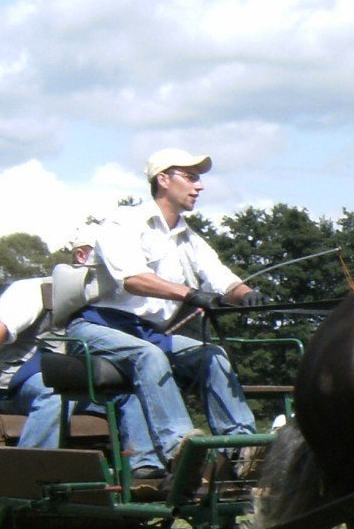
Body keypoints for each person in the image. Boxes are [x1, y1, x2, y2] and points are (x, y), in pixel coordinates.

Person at [69, 149, 263, 485]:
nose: (199, 186)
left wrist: (246, 294)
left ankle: (242, 450)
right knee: (150, 356)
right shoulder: (122, 222)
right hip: (97, 327)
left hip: (148, 332)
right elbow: (132, 278)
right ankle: (183, 451)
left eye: (198, 178)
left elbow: (221, 278)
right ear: (163, 179)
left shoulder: (190, 239)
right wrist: (188, 293)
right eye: (190, 177)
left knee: (212, 355)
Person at [0, 221, 154, 458]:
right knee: (57, 392)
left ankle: (144, 468)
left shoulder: (105, 301)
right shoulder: (34, 290)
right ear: (81, 256)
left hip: (79, 384)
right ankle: (31, 471)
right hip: (17, 384)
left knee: (128, 394)